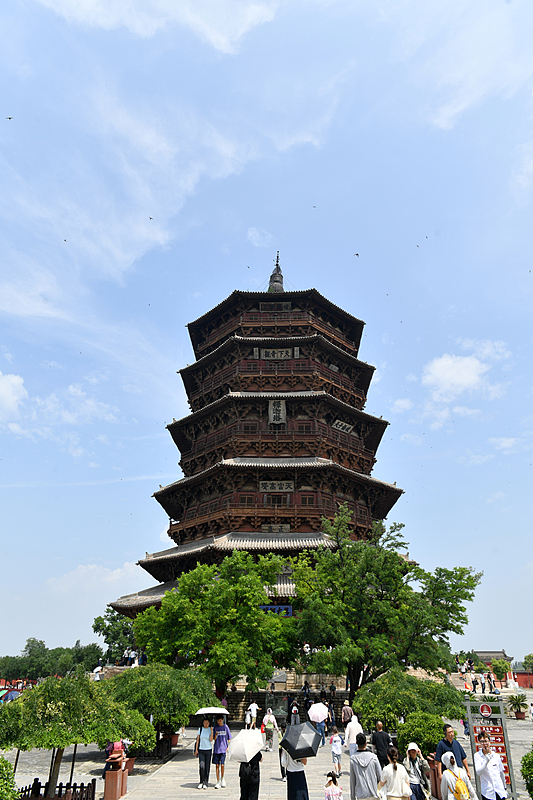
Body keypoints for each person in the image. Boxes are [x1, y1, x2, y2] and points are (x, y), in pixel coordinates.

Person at [474, 732, 507, 800]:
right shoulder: (477, 756)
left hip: (499, 791)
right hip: (487, 792)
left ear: (489, 742)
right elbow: (478, 772)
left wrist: (504, 788)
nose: (484, 744)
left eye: (486, 741)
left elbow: (501, 773)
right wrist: (486, 761)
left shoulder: (496, 756)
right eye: (482, 742)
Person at [350, 732, 382, 800]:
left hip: (361, 795)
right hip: (374, 794)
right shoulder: (373, 757)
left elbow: (352, 781)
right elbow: (380, 777)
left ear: (356, 743)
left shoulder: (353, 759)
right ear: (366, 743)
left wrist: (352, 797)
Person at [194, 717, 213, 790]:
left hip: (208, 750)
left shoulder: (210, 729)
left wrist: (211, 732)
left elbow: (211, 740)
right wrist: (196, 749)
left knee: (207, 767)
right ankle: (201, 781)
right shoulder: (200, 729)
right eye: (205, 723)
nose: (206, 724)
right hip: (201, 749)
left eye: (207, 723)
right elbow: (198, 739)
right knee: (202, 766)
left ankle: (206, 782)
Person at [213, 714, 231, 789]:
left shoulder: (225, 727)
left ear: (223, 720)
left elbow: (229, 737)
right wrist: (216, 735)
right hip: (217, 749)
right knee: (217, 765)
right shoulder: (215, 728)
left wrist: (227, 746)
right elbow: (214, 739)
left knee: (222, 764)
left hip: (223, 748)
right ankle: (217, 781)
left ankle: (222, 778)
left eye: (220, 721)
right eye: (218, 721)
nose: (219, 722)